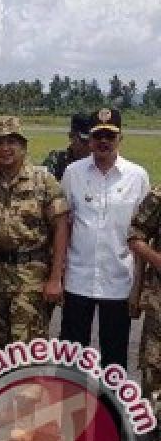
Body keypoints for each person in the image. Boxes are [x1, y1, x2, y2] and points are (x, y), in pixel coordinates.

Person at [59, 107, 149, 370]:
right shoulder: (73, 173)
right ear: (89, 138)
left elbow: (142, 233)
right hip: (78, 279)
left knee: (115, 358)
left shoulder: (137, 176)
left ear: (120, 139)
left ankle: (111, 409)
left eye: (110, 136)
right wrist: (59, 274)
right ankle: (70, 410)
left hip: (119, 281)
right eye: (98, 135)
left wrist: (137, 289)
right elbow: (64, 225)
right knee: (71, 356)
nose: (103, 142)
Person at [0, 117, 68, 354]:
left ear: (23, 146)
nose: (4, 148)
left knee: (27, 349)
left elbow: (61, 226)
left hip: (31, 277)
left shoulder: (42, 180)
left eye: (11, 142)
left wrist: (56, 278)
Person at [126, 179, 161, 441]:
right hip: (159, 303)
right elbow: (135, 235)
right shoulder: (159, 195)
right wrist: (157, 261)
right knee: (153, 374)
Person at [42, 113, 93, 181]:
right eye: (84, 141)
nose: (89, 146)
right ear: (71, 136)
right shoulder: (57, 161)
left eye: (91, 141)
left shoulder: (98, 164)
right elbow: (43, 183)